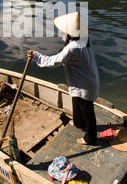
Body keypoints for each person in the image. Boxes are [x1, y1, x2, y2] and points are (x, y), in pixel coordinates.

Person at [28, 12, 99, 146]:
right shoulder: (84, 38)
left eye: (64, 31)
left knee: (87, 111)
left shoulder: (73, 48)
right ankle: (79, 123)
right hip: (85, 80)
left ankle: (91, 138)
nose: (62, 33)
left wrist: (36, 56)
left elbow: (55, 61)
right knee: (76, 102)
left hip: (84, 84)